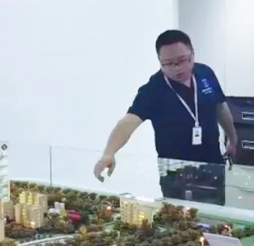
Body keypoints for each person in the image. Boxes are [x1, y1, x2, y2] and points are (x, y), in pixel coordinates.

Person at [93, 30, 237, 203]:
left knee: (215, 214)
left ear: (192, 54)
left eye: (182, 60)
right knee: (179, 217)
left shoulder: (205, 74)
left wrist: (233, 138)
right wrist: (109, 153)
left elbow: (220, 107)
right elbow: (129, 121)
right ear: (160, 61)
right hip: (176, 174)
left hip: (212, 167)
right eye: (168, 63)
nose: (177, 68)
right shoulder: (154, 89)